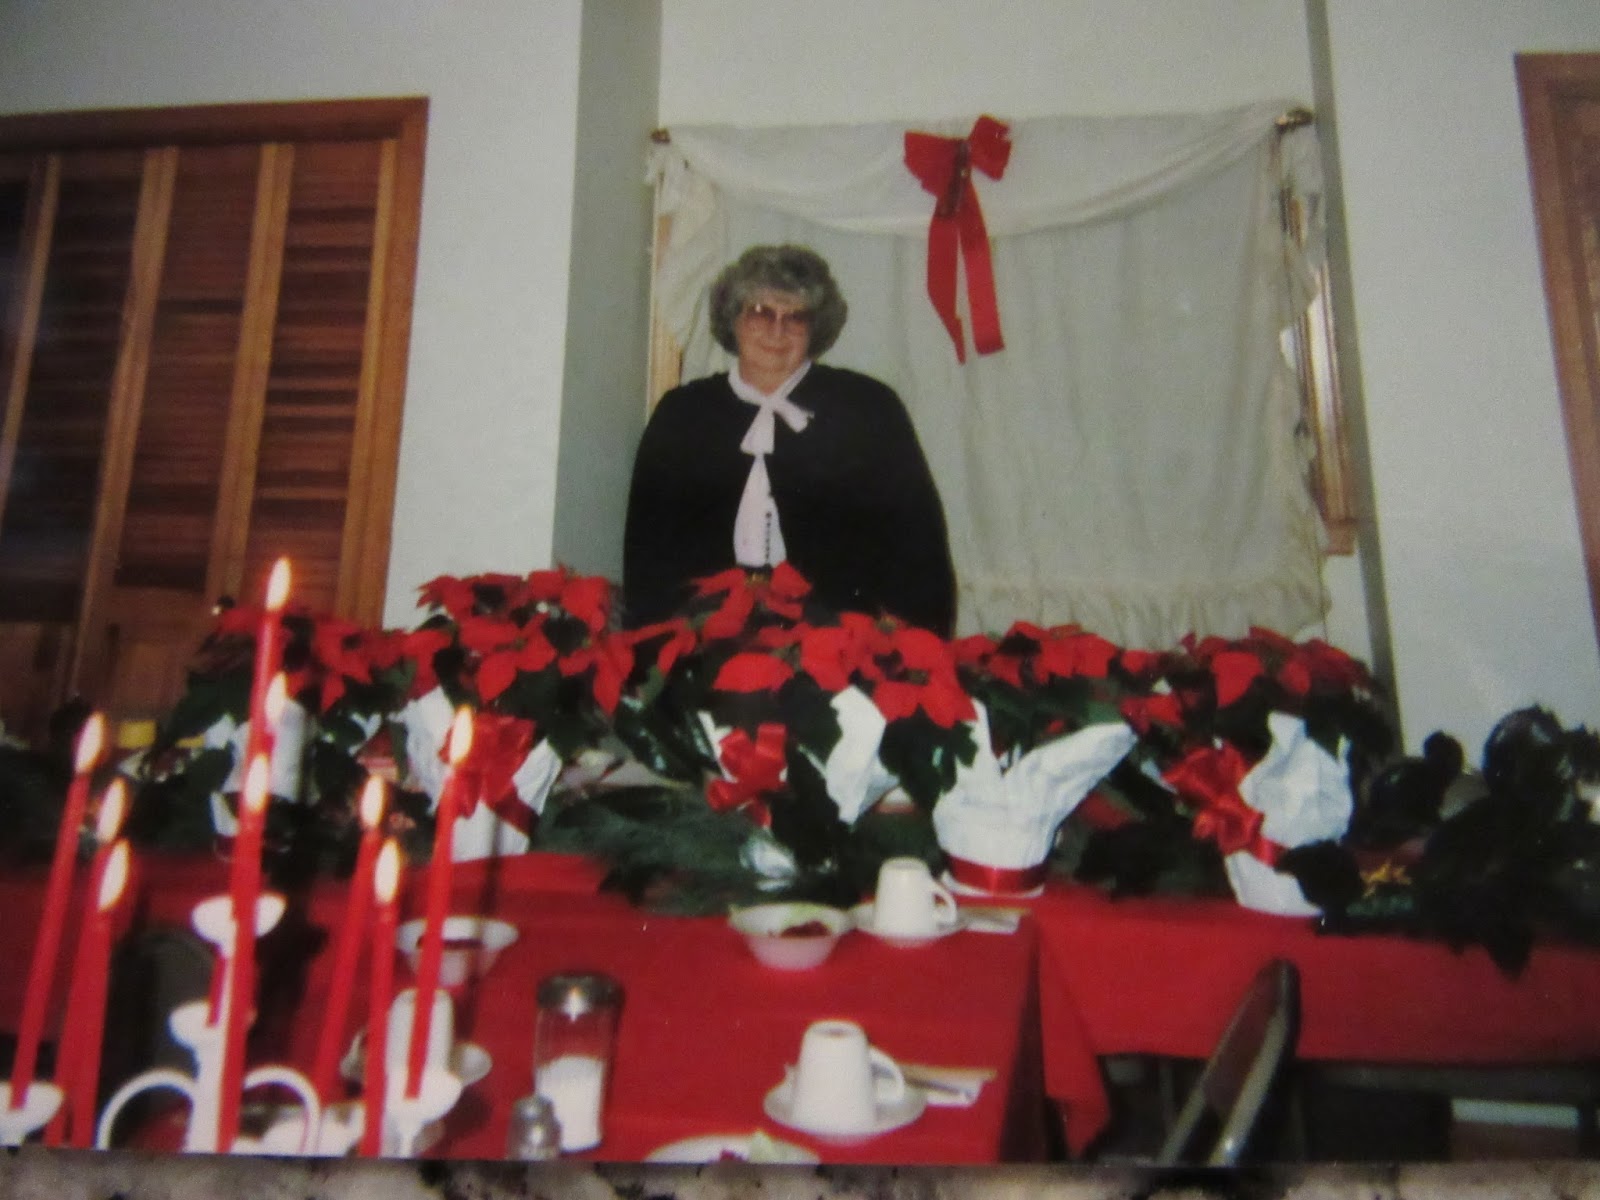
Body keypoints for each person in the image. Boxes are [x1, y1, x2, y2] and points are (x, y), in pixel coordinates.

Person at [624, 244, 956, 636]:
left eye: (795, 318)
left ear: (815, 329)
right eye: (760, 312)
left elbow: (918, 546)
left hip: (836, 638)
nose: (776, 330)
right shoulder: (683, 413)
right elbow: (646, 550)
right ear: (733, 319)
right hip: (706, 636)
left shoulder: (867, 408)